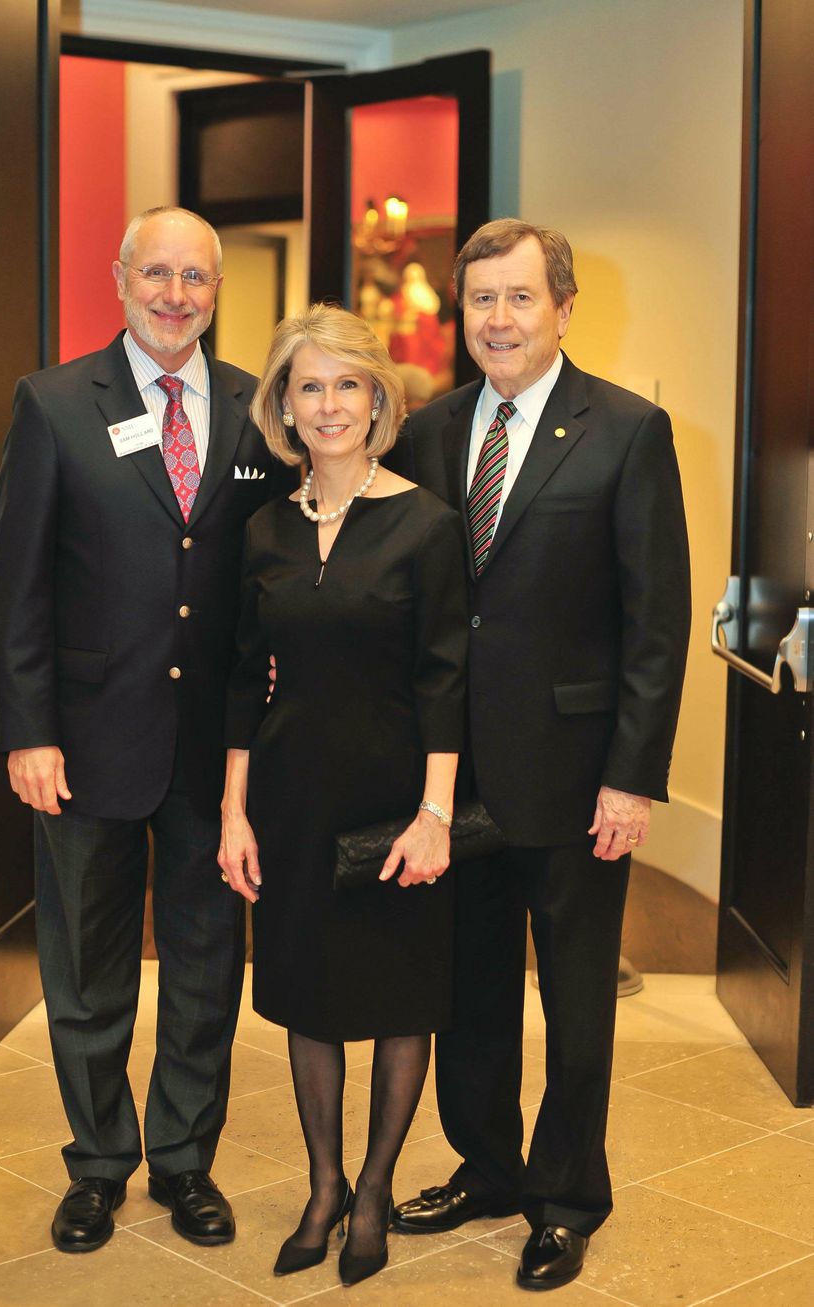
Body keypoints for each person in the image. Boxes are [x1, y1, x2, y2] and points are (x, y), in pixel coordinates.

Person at [390, 219, 691, 1290]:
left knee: (571, 1000)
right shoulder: (424, 434)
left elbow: (654, 622)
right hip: (449, 780)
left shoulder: (624, 429)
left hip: (574, 777)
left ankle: (564, 1197)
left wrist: (631, 775)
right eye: (480, 301)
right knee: (467, 989)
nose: (498, 320)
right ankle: (486, 1164)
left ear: (562, 306)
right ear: (458, 313)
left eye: (519, 298)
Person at [0, 206, 289, 1254]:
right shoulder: (55, 402)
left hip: (218, 753)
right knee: (87, 964)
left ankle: (182, 1159)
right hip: (82, 739)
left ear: (216, 289)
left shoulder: (266, 410)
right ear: (119, 279)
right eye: (154, 273)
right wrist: (29, 730)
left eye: (194, 277)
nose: (174, 294)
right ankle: (99, 1163)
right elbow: (16, 583)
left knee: (208, 962)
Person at [218, 305, 468, 1287]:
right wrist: (235, 809)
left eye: (346, 384)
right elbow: (244, 674)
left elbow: (444, 676)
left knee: (401, 996)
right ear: (284, 403)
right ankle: (321, 1185)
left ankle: (372, 1189)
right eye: (308, 385)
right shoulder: (265, 527)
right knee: (306, 997)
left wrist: (435, 813)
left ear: (377, 398)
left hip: (395, 797)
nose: (328, 404)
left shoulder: (426, 522)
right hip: (289, 796)